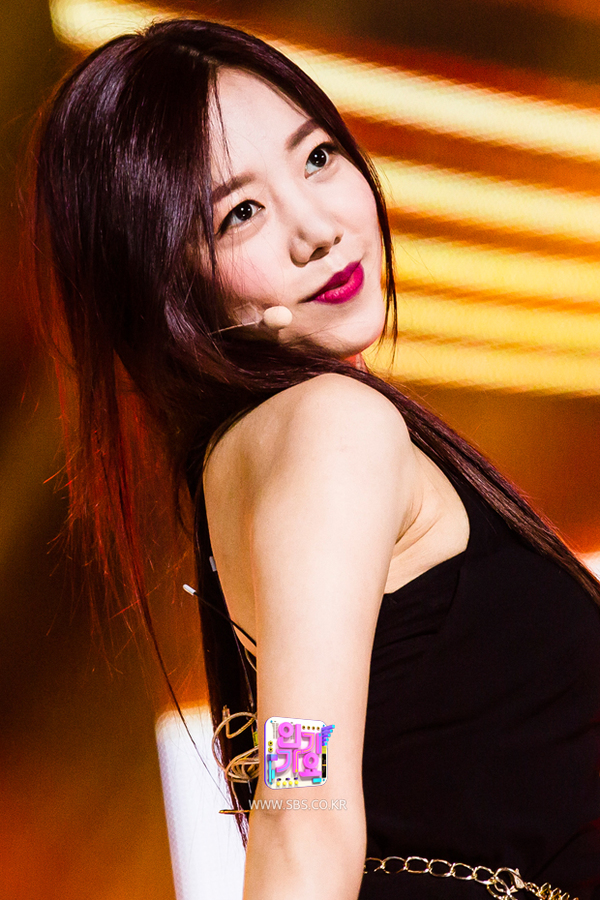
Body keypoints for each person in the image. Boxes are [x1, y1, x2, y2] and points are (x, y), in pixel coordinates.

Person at [31, 18, 600, 900]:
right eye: (240, 213)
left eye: (319, 157)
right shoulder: (330, 427)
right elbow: (303, 800)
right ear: (169, 282)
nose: (318, 230)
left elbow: (303, 757)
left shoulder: (247, 454)